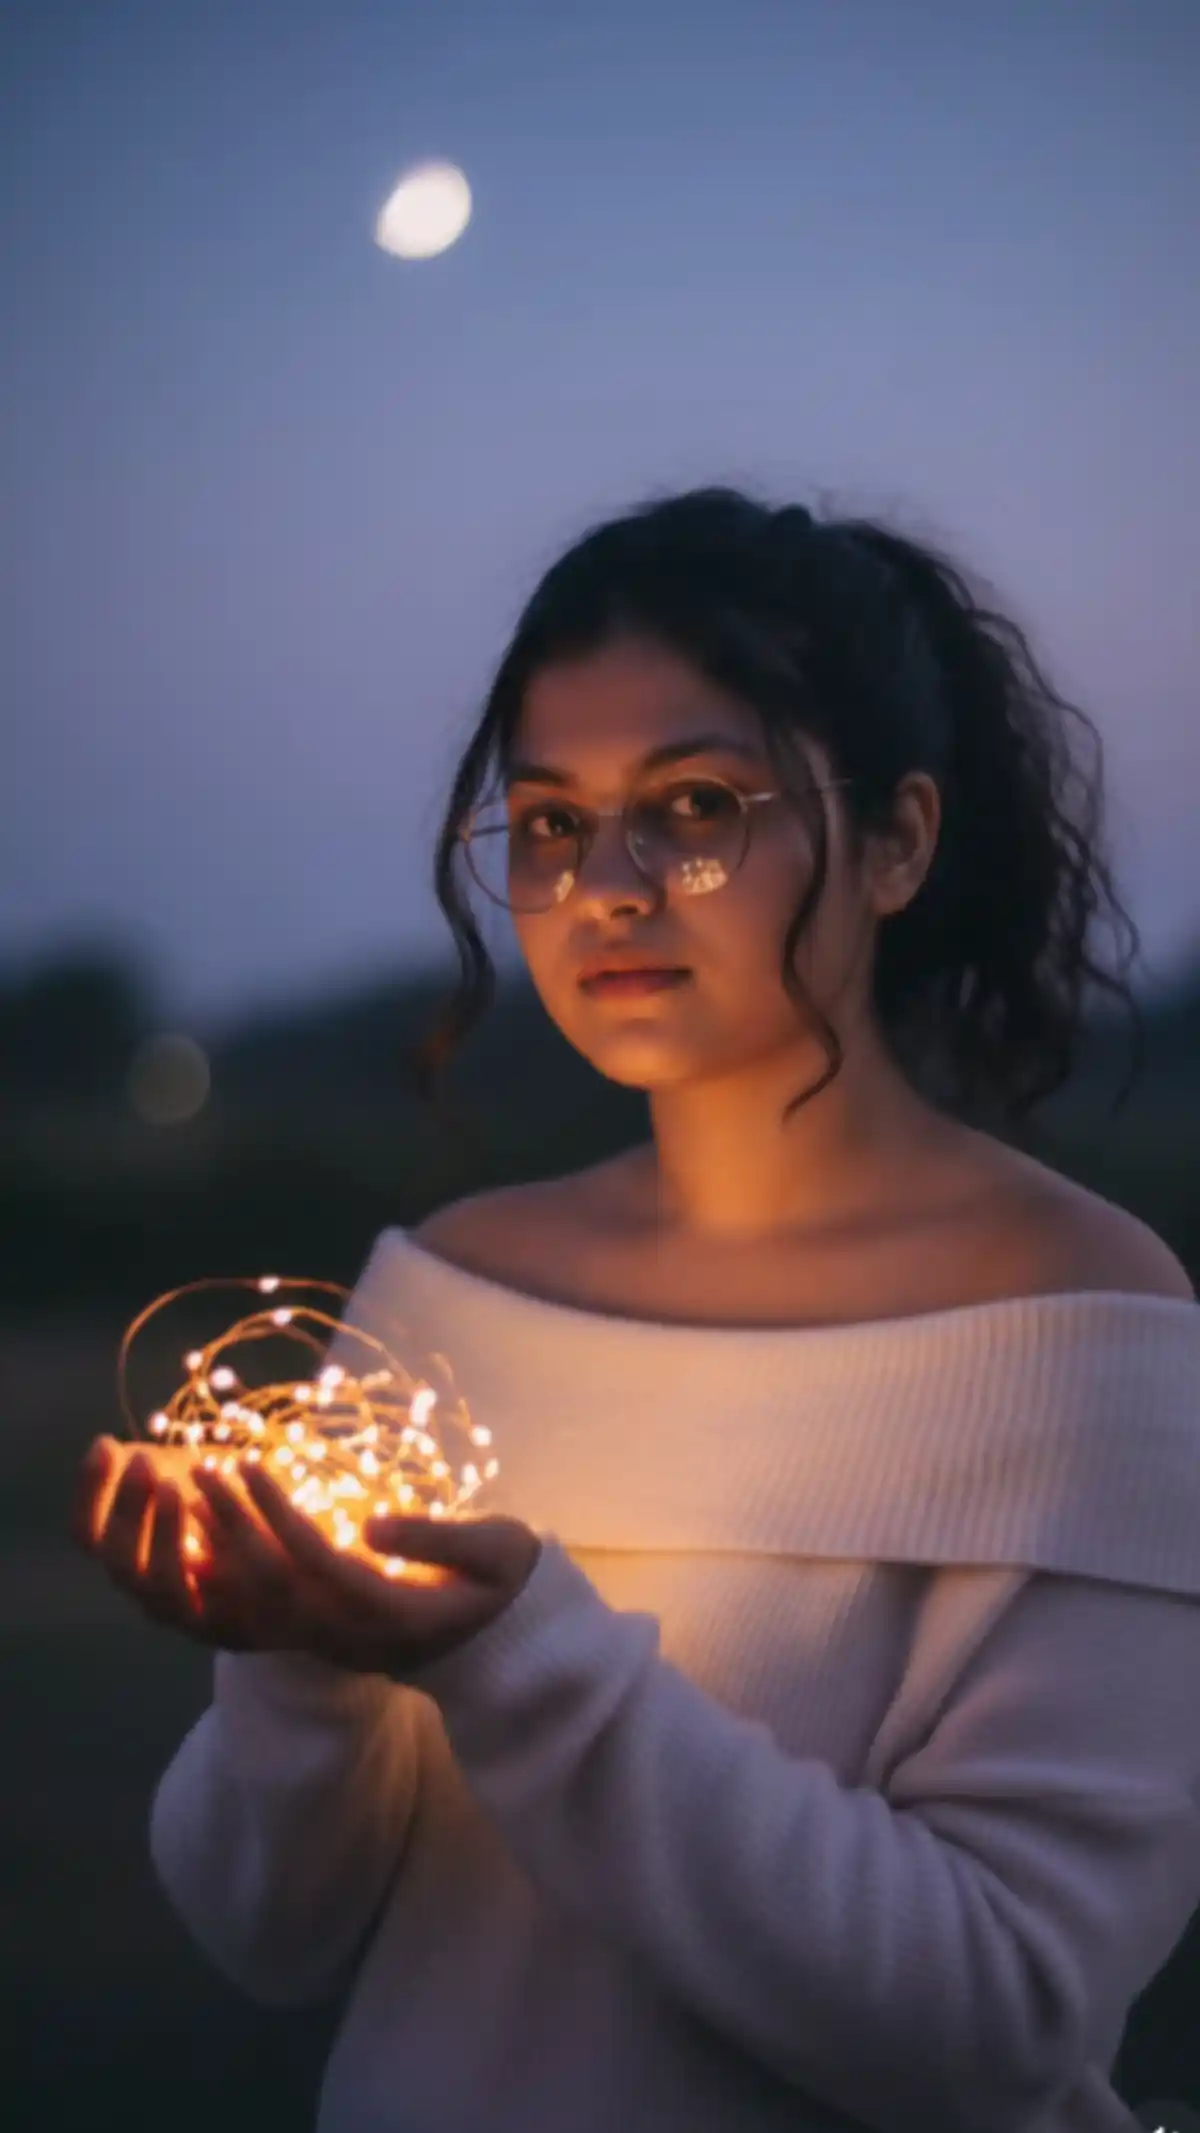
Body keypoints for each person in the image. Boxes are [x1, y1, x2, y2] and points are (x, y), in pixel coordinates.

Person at [71, 487, 1200, 2133]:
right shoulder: (451, 1292)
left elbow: (997, 2023)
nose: (607, 884)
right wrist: (299, 1660)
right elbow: (271, 1936)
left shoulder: (1084, 1333)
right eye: (549, 823)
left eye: (696, 806)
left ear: (898, 840)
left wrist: (509, 1654)